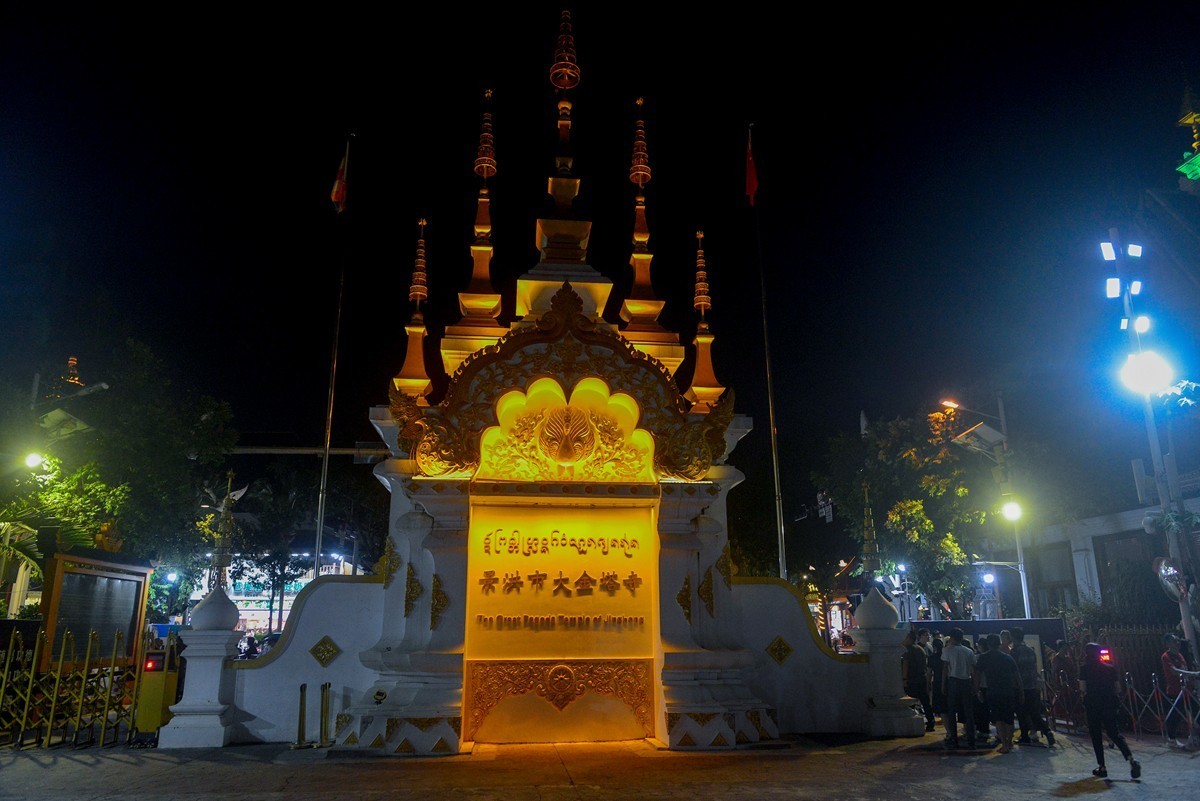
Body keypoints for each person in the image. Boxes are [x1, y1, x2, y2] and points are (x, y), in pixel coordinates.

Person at [1079, 642, 1140, 779]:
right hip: (1109, 704)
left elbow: (1083, 688)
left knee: (1096, 735)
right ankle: (1131, 759)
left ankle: (1102, 766)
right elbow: (1117, 688)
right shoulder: (1110, 668)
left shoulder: (1085, 669)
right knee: (1114, 733)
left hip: (1093, 705)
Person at [976, 632, 1022, 753]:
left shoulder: (983, 658)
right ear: (999, 643)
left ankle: (1004, 744)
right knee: (1009, 719)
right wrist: (1021, 692)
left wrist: (977, 690)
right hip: (1008, 691)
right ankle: (1009, 741)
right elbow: (1017, 677)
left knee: (999, 719)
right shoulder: (1007, 657)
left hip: (993, 692)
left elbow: (977, 676)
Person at [1010, 626, 1055, 746]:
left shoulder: (1014, 652)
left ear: (1013, 637)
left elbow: (1014, 671)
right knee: (1034, 712)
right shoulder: (1030, 650)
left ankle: (1024, 736)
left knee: (1021, 713)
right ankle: (1047, 731)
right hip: (1031, 685)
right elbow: (1034, 668)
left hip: (1020, 687)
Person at [941, 627, 977, 749]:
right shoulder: (969, 651)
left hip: (953, 682)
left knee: (952, 712)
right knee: (969, 712)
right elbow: (973, 670)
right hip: (966, 681)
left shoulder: (947, 651)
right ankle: (971, 740)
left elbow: (945, 669)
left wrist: (943, 685)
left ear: (951, 638)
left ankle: (954, 739)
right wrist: (975, 685)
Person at [902, 628, 935, 732]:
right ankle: (931, 721)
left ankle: (911, 721)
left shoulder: (907, 650)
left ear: (909, 638)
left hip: (912, 679)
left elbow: (905, 665)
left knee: (909, 702)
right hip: (922, 678)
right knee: (925, 701)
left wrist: (904, 678)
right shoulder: (920, 649)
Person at [1161, 633, 1189, 747]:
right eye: (1174, 641)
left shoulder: (1180, 655)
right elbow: (1174, 671)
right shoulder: (1166, 657)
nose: (1177, 643)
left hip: (1187, 690)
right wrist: (1193, 674)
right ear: (1168, 643)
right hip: (1175, 690)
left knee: (1195, 710)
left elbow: (1183, 669)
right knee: (1176, 715)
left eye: (1178, 641)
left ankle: (1193, 735)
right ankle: (1171, 738)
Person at [930, 635, 947, 726]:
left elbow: (929, 672)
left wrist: (928, 682)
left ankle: (942, 717)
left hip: (937, 680)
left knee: (939, 700)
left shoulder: (932, 657)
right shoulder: (945, 656)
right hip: (947, 680)